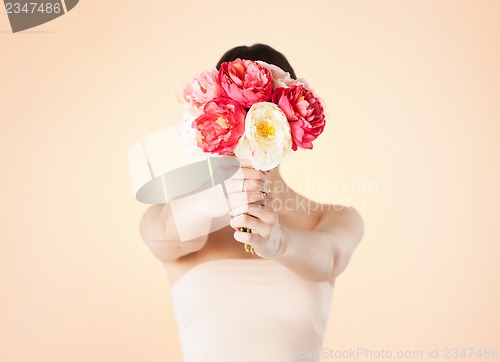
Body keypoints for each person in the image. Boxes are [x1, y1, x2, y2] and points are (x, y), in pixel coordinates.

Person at [139, 43, 364, 362]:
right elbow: (163, 235)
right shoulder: (176, 221)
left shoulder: (330, 220)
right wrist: (217, 197)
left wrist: (279, 242)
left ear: (292, 130)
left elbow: (329, 258)